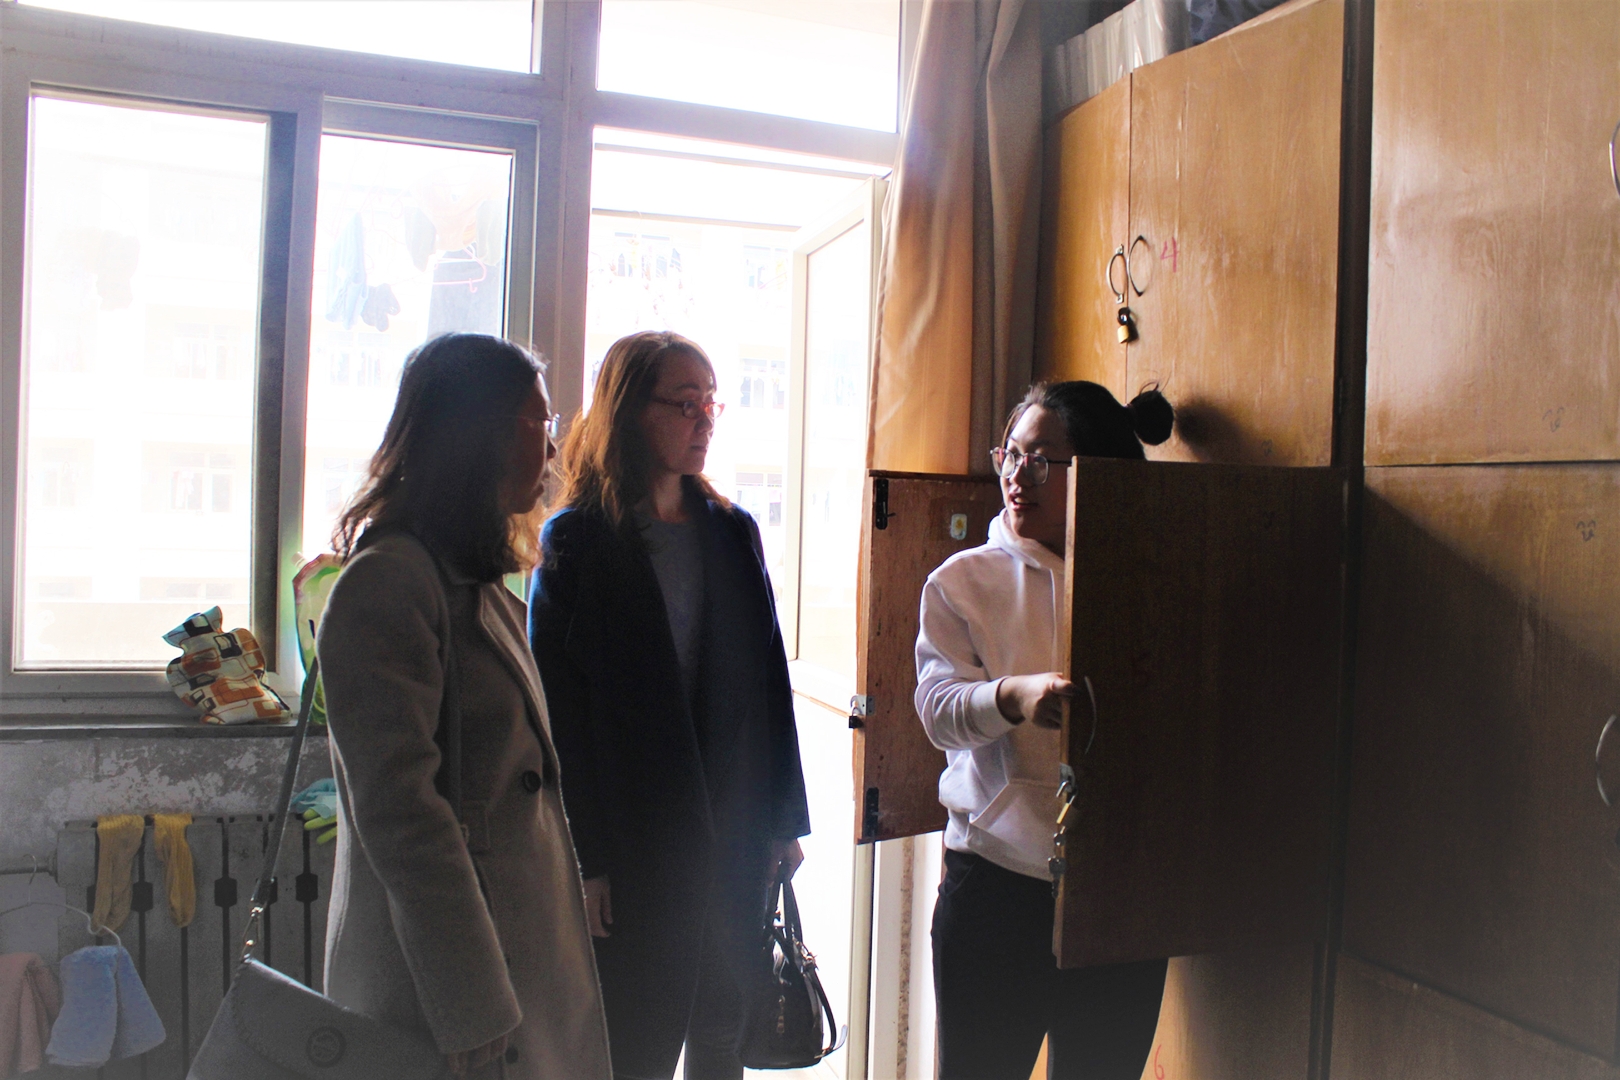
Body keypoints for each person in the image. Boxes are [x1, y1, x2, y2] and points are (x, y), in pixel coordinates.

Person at [317, 333, 612, 1080]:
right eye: (539, 422)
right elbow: (402, 814)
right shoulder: (388, 583)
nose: (553, 448)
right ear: (479, 434)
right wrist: (470, 999)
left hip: (510, 958)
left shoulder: (473, 585)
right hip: (447, 990)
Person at [528, 330, 811, 1080]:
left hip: (734, 826)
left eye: (711, 402)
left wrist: (785, 818)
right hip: (635, 837)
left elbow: (768, 685)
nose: (704, 419)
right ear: (629, 410)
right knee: (638, 1041)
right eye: (685, 403)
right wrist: (586, 858)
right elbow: (559, 717)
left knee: (722, 1032)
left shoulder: (732, 532)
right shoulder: (577, 541)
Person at [916, 380, 1174, 1080]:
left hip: (1119, 891)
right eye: (1010, 454)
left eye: (1040, 459)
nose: (1016, 474)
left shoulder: (1155, 576)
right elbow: (937, 710)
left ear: (1097, 472)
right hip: (996, 890)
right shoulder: (963, 581)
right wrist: (1013, 697)